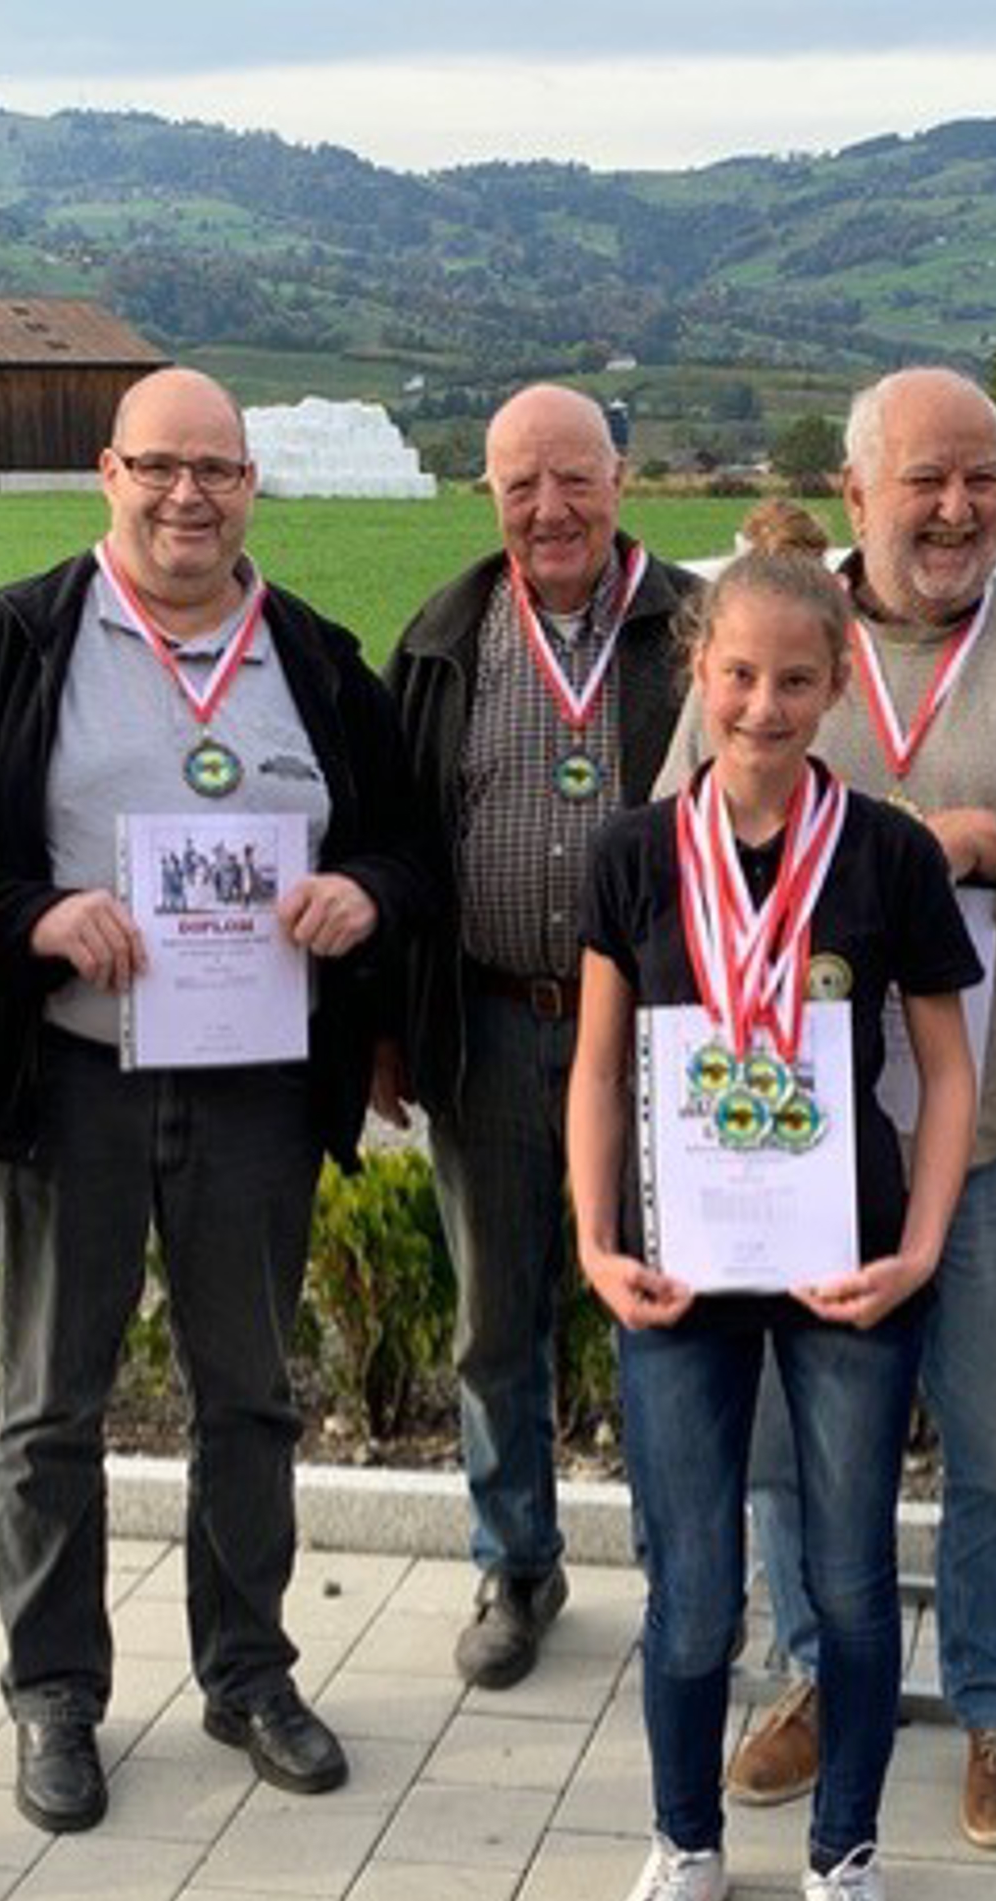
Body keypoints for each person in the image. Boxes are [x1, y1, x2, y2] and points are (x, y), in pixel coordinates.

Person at [0, 367, 430, 1834]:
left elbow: (406, 846)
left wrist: (362, 895)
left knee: (248, 1396)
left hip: (255, 1090)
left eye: (218, 469)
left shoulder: (313, 657)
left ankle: (248, 1672)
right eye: (159, 467)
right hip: (70, 1077)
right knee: (50, 1406)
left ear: (252, 484)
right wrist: (32, 916)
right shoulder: (16, 640)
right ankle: (54, 1693)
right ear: (107, 473)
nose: (188, 495)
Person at [656, 367, 996, 1845]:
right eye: (924, 480)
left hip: (990, 1140)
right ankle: (816, 1674)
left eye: (981, 480)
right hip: (788, 1150)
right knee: (790, 1447)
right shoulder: (773, 640)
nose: (955, 509)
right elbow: (674, 850)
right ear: (856, 493)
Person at [569, 505, 980, 1901]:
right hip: (677, 1274)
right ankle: (685, 1846)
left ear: (837, 684)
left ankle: (843, 1860)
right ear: (698, 670)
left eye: (796, 680)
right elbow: (596, 1064)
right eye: (738, 675)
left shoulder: (887, 854)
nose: (762, 706)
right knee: (690, 1588)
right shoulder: (632, 853)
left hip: (845, 1271)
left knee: (852, 1583)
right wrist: (594, 1240)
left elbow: (949, 1071)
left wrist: (919, 1246)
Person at [384, 383, 699, 1689]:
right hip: (495, 1026)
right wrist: (391, 1029)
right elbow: (396, 847)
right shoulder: (443, 640)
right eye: (521, 485)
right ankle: (516, 1564)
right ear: (491, 494)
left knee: (664, 1312)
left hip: (664, 1044)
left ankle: (685, 1574)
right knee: (495, 1319)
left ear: (620, 476)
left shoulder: (696, 628)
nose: (550, 508)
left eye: (574, 478)